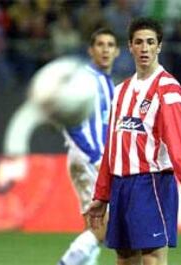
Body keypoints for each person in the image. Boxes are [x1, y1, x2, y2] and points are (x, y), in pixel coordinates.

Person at [88, 17, 181, 265]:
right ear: (130, 46)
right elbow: (113, 146)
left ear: (159, 47)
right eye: (139, 42)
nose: (144, 48)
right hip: (121, 185)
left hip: (151, 182)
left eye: (150, 42)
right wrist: (102, 194)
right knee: (124, 258)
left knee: (152, 258)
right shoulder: (121, 91)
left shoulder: (168, 89)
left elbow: (179, 139)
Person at [58, 28, 120, 265]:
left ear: (116, 52)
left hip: (95, 159)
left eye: (110, 45)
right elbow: (68, 118)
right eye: (100, 44)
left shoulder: (107, 83)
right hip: (89, 158)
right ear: (90, 50)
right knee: (103, 229)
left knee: (94, 226)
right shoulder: (83, 80)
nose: (105, 49)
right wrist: (93, 154)